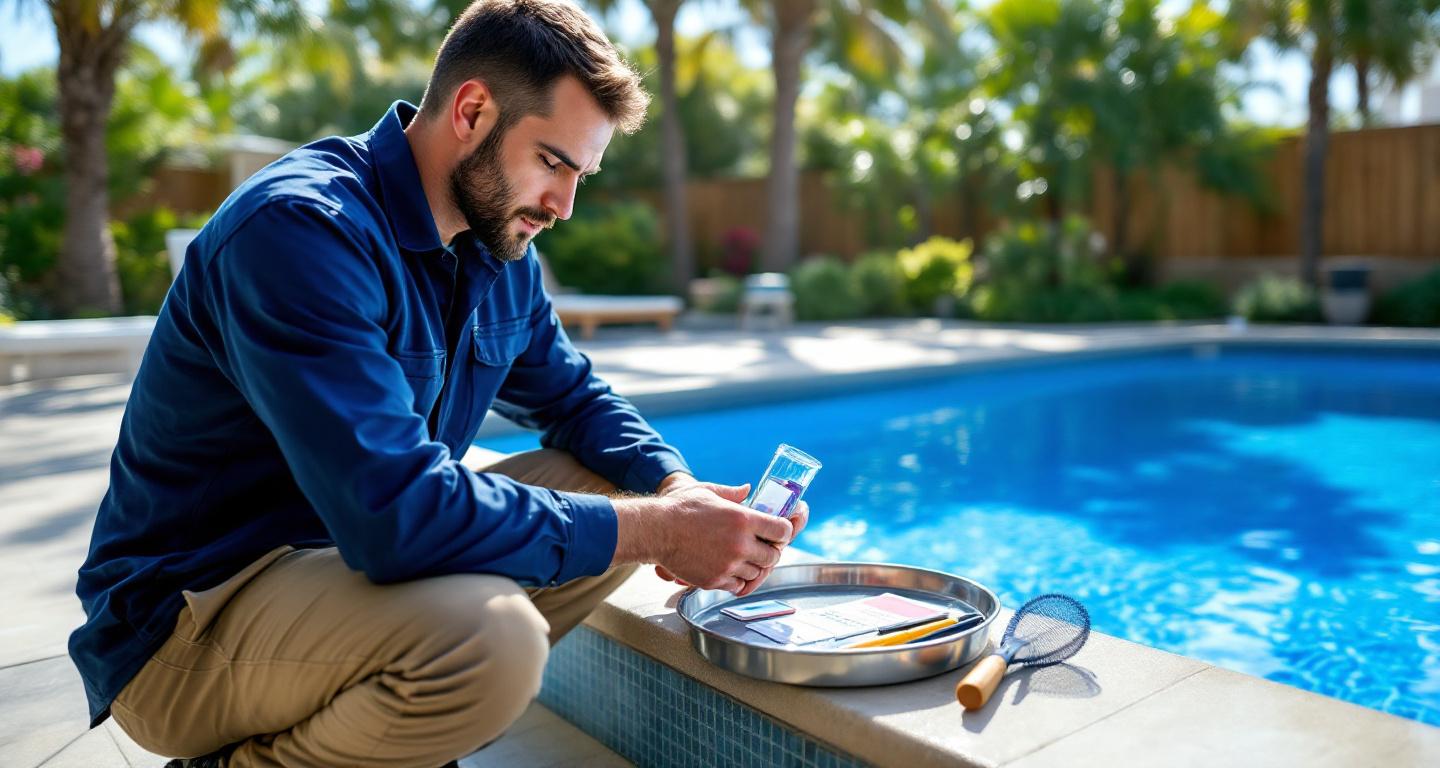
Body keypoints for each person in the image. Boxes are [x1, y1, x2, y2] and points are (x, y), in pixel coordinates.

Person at [68, 2, 807, 766]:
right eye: (554, 163)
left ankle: (373, 733)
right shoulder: (300, 232)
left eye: (579, 176)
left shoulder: (494, 246)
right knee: (491, 639)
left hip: (336, 577)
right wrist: (658, 531)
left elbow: (576, 399)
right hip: (190, 618)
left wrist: (676, 490)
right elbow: (396, 515)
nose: (563, 207)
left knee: (604, 476)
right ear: (473, 110)